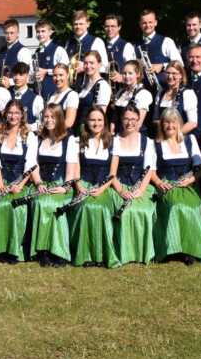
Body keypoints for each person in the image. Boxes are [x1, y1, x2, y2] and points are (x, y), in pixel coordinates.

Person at [151, 109, 201, 265]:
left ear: (179, 124)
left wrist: (191, 180)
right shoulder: (155, 144)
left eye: (173, 122)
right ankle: (175, 248)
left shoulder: (190, 140)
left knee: (193, 206)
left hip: (188, 186)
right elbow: (152, 172)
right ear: (162, 125)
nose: (170, 125)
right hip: (167, 187)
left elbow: (200, 168)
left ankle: (192, 248)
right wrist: (160, 183)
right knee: (176, 207)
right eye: (166, 122)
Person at [0, 100, 38, 263]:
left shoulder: (29, 136)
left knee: (17, 207)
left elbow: (30, 164)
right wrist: (1, 185)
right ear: (5, 114)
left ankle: (15, 250)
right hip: (1, 181)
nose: (13, 116)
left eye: (16, 113)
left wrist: (20, 185)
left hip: (21, 182)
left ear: (22, 115)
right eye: (10, 112)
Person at [28, 104, 79, 266]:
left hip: (60, 184)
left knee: (54, 204)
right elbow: (33, 165)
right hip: (42, 183)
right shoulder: (38, 139)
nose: (49, 120)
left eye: (53, 117)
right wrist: (38, 182)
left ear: (59, 119)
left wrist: (65, 187)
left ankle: (59, 251)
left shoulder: (69, 140)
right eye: (46, 117)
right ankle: (42, 251)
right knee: (41, 202)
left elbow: (71, 169)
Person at [68, 107, 120, 268]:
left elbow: (112, 173)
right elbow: (75, 170)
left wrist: (102, 189)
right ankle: (85, 254)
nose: (96, 123)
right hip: (84, 185)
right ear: (86, 122)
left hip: (104, 186)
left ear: (104, 122)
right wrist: (79, 186)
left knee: (102, 209)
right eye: (92, 120)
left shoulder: (113, 141)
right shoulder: (77, 141)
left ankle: (102, 254)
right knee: (85, 207)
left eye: (99, 120)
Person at [109, 104, 158, 265]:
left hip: (141, 187)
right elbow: (112, 173)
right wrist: (121, 190)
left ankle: (140, 252)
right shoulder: (115, 140)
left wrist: (140, 190)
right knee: (123, 212)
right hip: (119, 186)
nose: (130, 123)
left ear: (139, 121)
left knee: (142, 210)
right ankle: (123, 252)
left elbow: (149, 170)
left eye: (133, 119)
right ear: (121, 120)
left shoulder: (147, 142)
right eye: (126, 119)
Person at [137, 9, 182, 88]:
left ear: (155, 23)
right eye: (144, 23)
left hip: (164, 90)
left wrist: (162, 65)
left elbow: (180, 64)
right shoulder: (136, 46)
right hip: (143, 92)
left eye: (150, 22)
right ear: (140, 24)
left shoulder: (166, 41)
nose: (147, 25)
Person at [153, 61, 198, 137]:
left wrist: (175, 136)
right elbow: (156, 119)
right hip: (162, 137)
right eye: (168, 73)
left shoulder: (187, 93)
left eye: (174, 73)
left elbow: (192, 123)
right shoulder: (161, 93)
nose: (170, 76)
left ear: (181, 75)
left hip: (180, 139)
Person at [109, 60, 153, 135]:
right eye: (124, 73)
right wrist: (112, 132)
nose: (126, 76)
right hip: (118, 135)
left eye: (130, 73)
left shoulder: (143, 94)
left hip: (134, 136)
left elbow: (138, 124)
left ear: (138, 74)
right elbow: (114, 118)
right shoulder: (121, 92)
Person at [65, 10, 110, 83]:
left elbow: (104, 67)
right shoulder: (68, 42)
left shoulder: (97, 42)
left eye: (81, 24)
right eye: (75, 24)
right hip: (70, 86)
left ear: (88, 24)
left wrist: (85, 67)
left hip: (89, 86)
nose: (78, 26)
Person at [32, 19, 68, 101]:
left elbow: (66, 71)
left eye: (43, 31)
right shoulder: (36, 52)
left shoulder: (59, 50)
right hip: (38, 95)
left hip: (54, 94)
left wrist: (46, 71)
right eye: (38, 31)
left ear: (50, 32)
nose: (40, 34)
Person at [75, 51, 112, 124]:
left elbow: (100, 116)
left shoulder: (102, 86)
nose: (88, 66)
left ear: (99, 64)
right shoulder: (84, 84)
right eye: (85, 63)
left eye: (92, 63)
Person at [0, 19, 33, 88]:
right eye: (6, 33)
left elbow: (29, 76)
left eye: (12, 33)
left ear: (18, 33)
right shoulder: (1, 51)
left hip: (15, 90)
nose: (9, 36)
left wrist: (10, 82)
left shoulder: (23, 51)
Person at [9, 62, 44, 132]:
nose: (17, 77)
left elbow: (41, 122)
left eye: (21, 75)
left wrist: (29, 127)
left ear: (27, 76)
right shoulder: (6, 94)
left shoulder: (36, 99)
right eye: (15, 74)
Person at [102, 14, 136, 84]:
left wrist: (121, 77)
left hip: (120, 89)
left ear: (119, 27)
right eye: (107, 26)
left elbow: (134, 72)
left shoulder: (126, 46)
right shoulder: (101, 45)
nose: (109, 29)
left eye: (113, 26)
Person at [45, 64, 80, 131]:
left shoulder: (72, 95)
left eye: (61, 75)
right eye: (55, 75)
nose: (58, 78)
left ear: (67, 75)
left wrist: (53, 130)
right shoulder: (51, 95)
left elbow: (69, 122)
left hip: (63, 136)